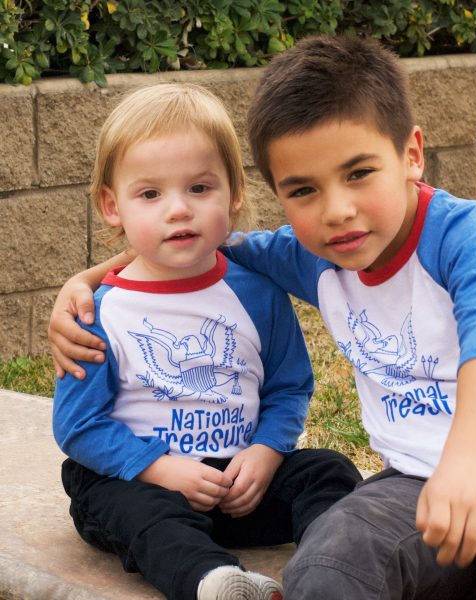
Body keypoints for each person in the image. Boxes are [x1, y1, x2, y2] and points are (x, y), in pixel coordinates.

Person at [48, 37, 476, 599]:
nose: (336, 211)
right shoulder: (313, 256)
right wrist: (85, 283)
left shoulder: (474, 237)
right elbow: (187, 245)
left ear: (411, 153)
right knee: (329, 567)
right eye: (304, 190)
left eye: (359, 172)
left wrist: (469, 463)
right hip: (416, 486)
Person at [52, 82, 362, 600]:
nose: (179, 210)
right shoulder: (97, 310)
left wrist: (266, 452)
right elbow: (78, 424)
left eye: (199, 188)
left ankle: (335, 571)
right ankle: (215, 583)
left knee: (326, 471)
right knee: (137, 510)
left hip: (241, 485)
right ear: (112, 205)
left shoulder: (257, 292)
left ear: (234, 192)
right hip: (139, 481)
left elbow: (289, 387)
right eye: (150, 194)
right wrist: (159, 469)